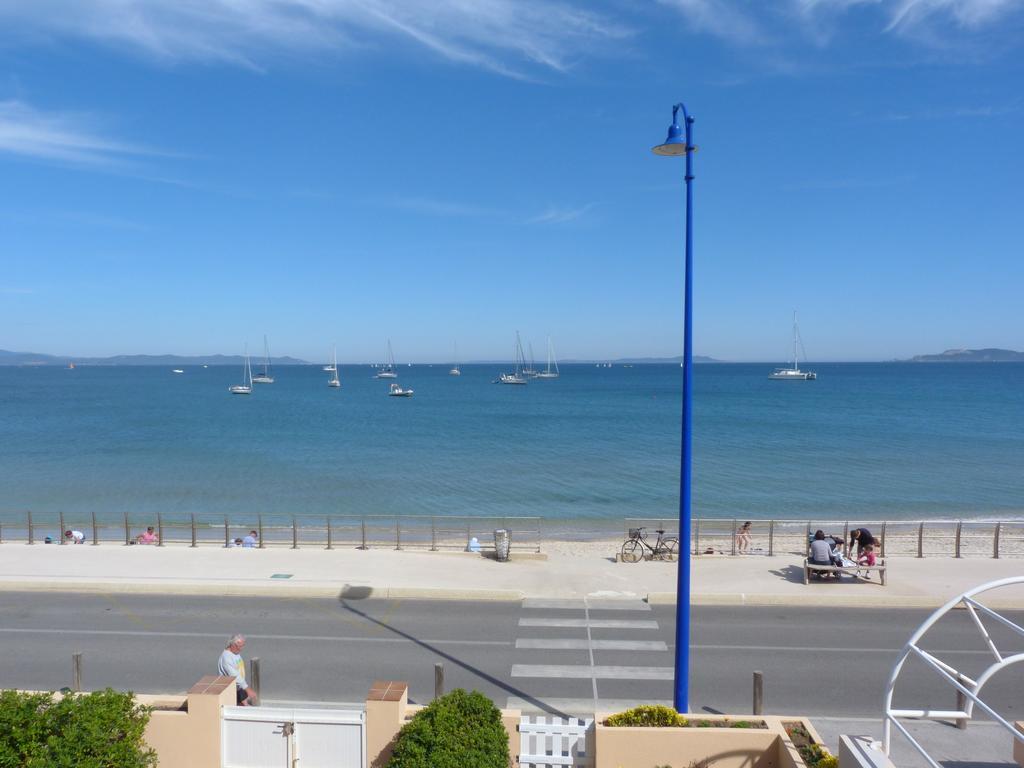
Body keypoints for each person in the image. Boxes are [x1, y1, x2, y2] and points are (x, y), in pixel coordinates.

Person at [218, 634, 257, 706]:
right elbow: (235, 676)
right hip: (231, 692)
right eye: (239, 646)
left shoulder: (235, 653)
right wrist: (247, 689)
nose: (241, 649)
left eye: (243, 646)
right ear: (232, 645)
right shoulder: (226, 658)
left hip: (238, 689)